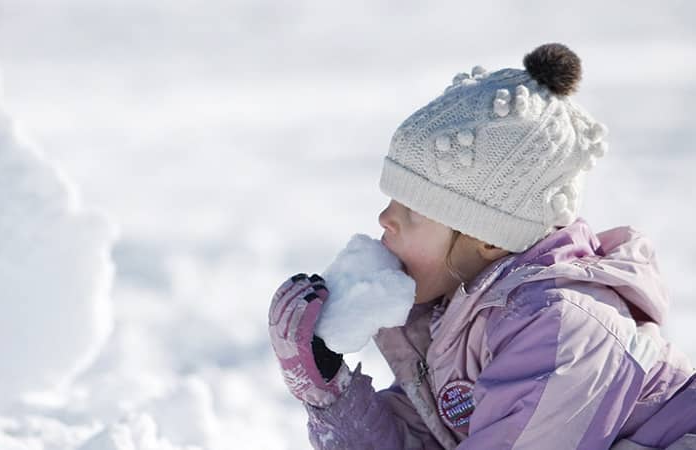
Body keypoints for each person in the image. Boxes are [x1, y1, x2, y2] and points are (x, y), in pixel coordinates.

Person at [267, 43, 696, 449]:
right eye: (390, 201)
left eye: (413, 211)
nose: (385, 220)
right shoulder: (455, 317)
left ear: (489, 237)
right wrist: (329, 394)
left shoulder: (560, 329)